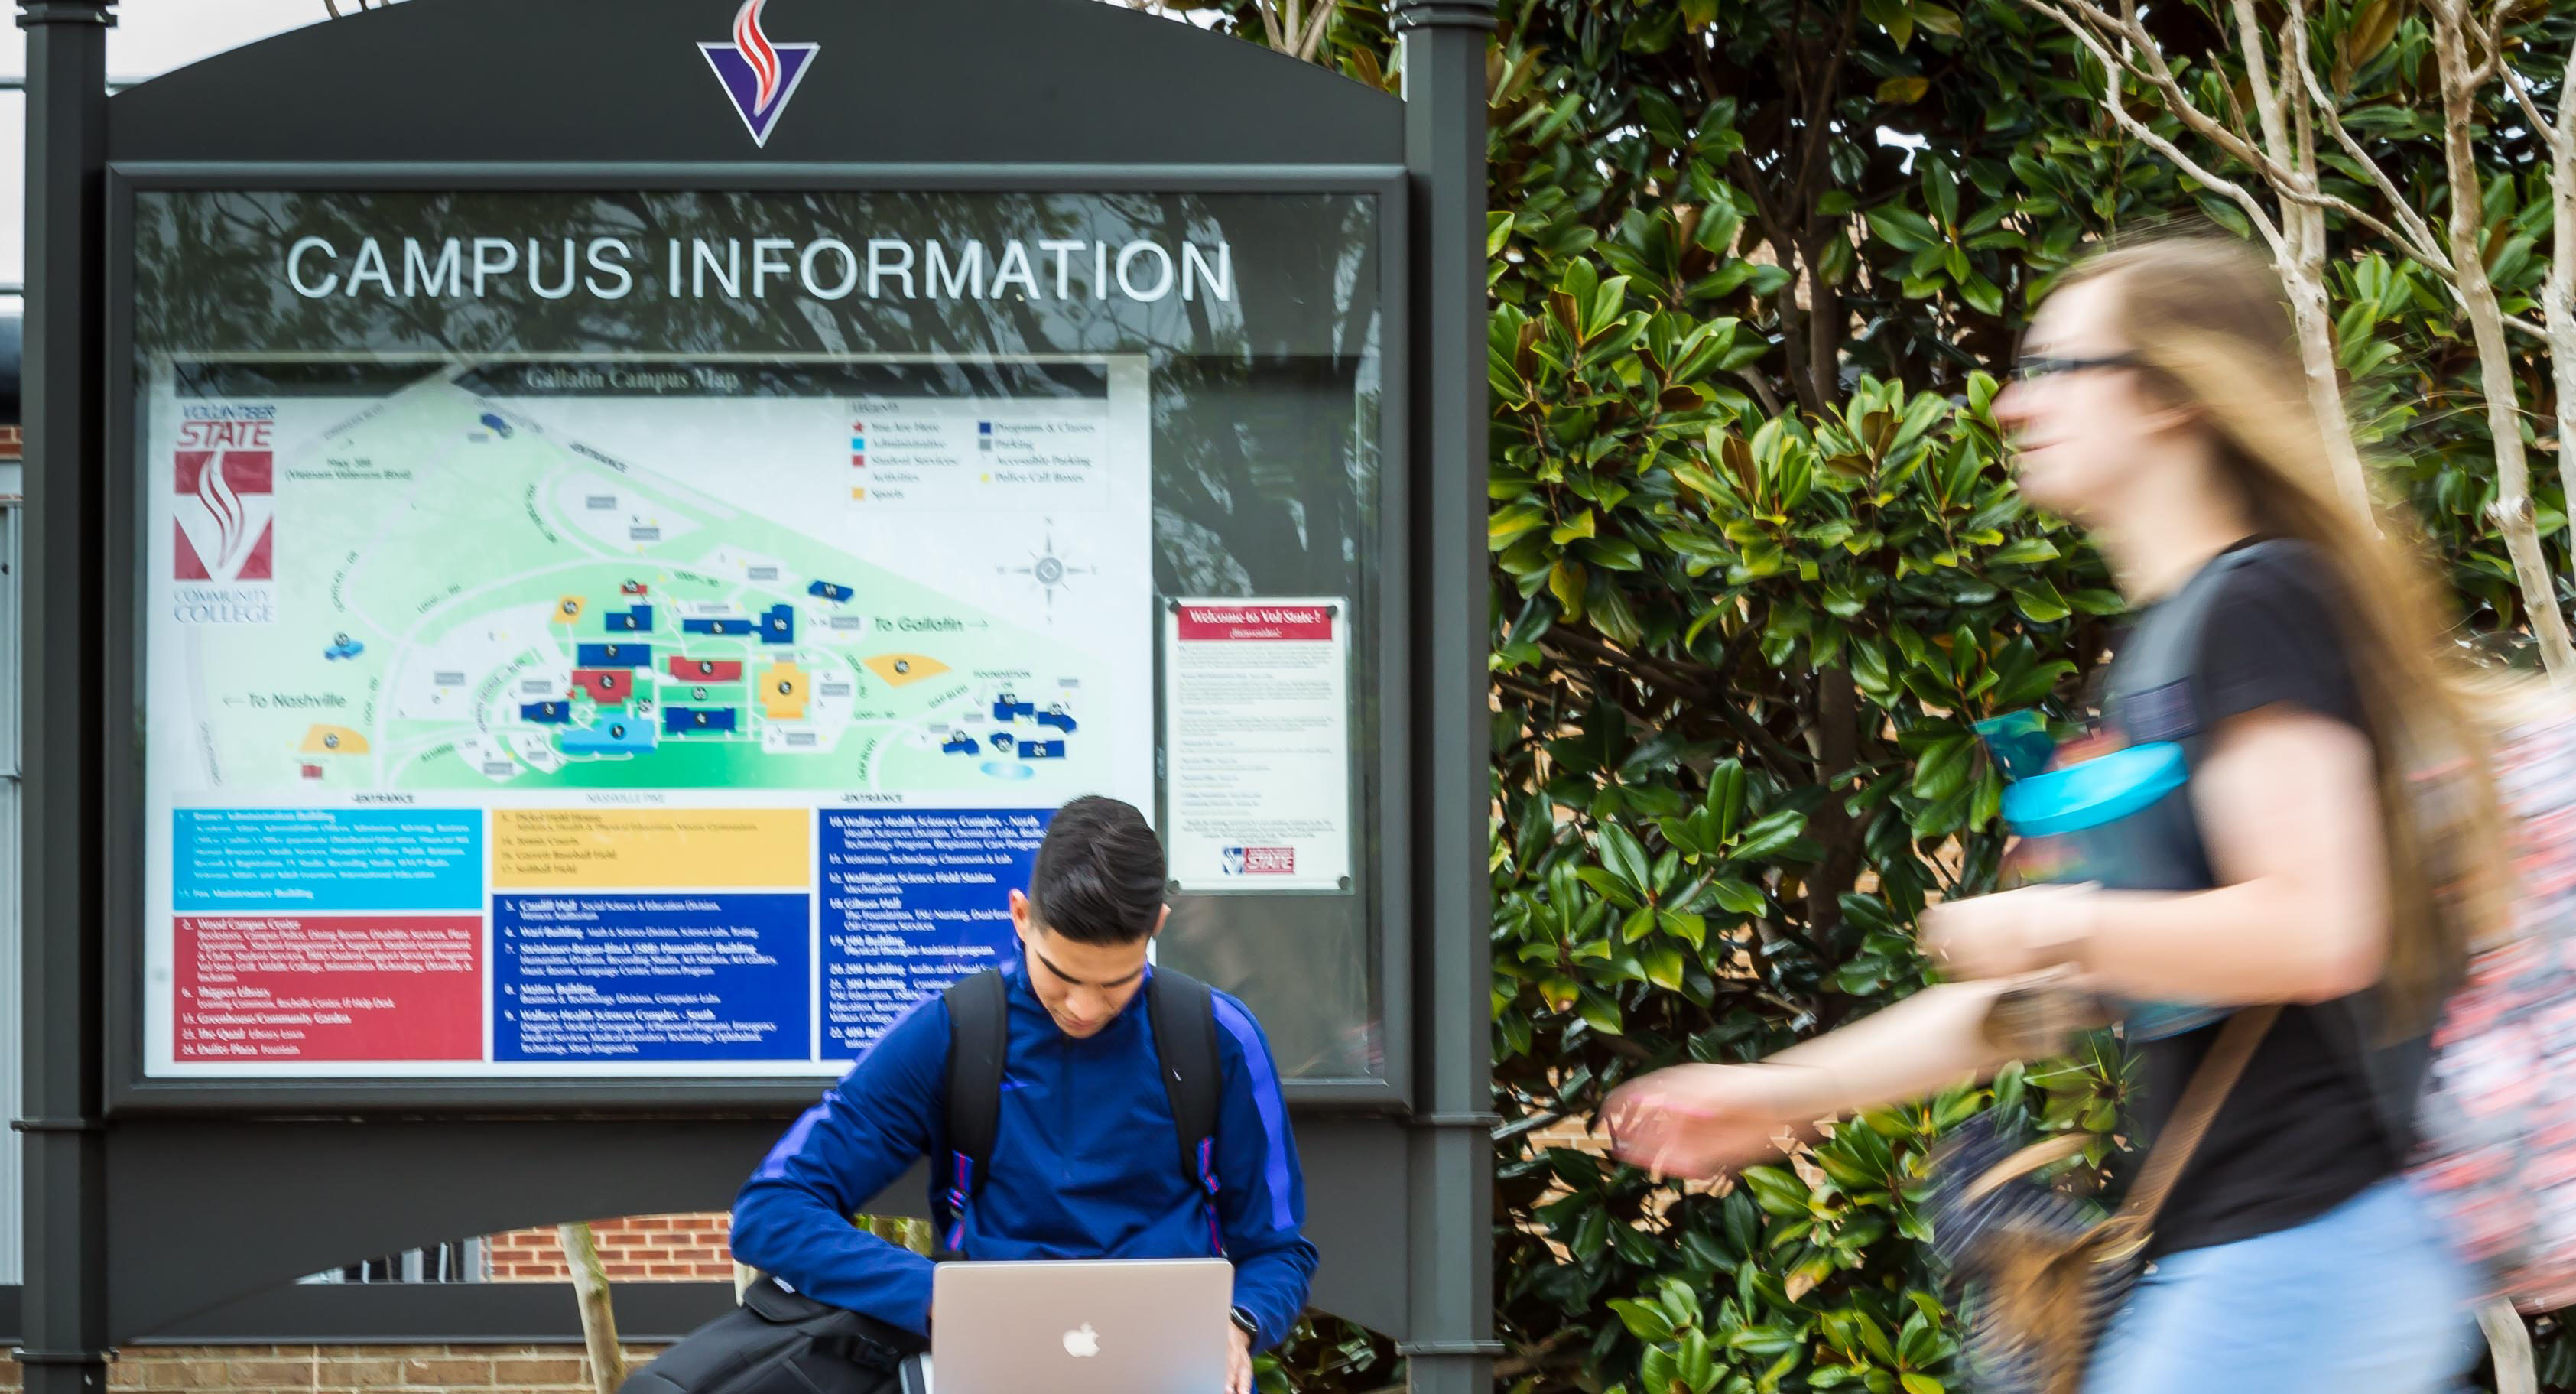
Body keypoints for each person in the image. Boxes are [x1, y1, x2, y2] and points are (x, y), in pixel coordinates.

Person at [1605, 236, 2511, 1394]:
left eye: (2055, 368)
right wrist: (1777, 1091)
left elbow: (2320, 925)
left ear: (2172, 395)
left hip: (2313, 1246)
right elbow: (2046, 995)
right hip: (2270, 1254)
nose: (2013, 404)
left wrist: (2051, 921)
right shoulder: (2166, 648)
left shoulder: (2262, 606)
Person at [732, 795, 1317, 1394]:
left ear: (1156, 926)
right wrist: (937, 1297)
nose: (1084, 1007)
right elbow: (773, 1210)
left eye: (1114, 983)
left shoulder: (1218, 1038)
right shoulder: (951, 1034)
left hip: (1172, 1374)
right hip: (994, 1372)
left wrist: (1237, 1324)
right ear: (1020, 915)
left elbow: (1277, 1250)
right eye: (1062, 975)